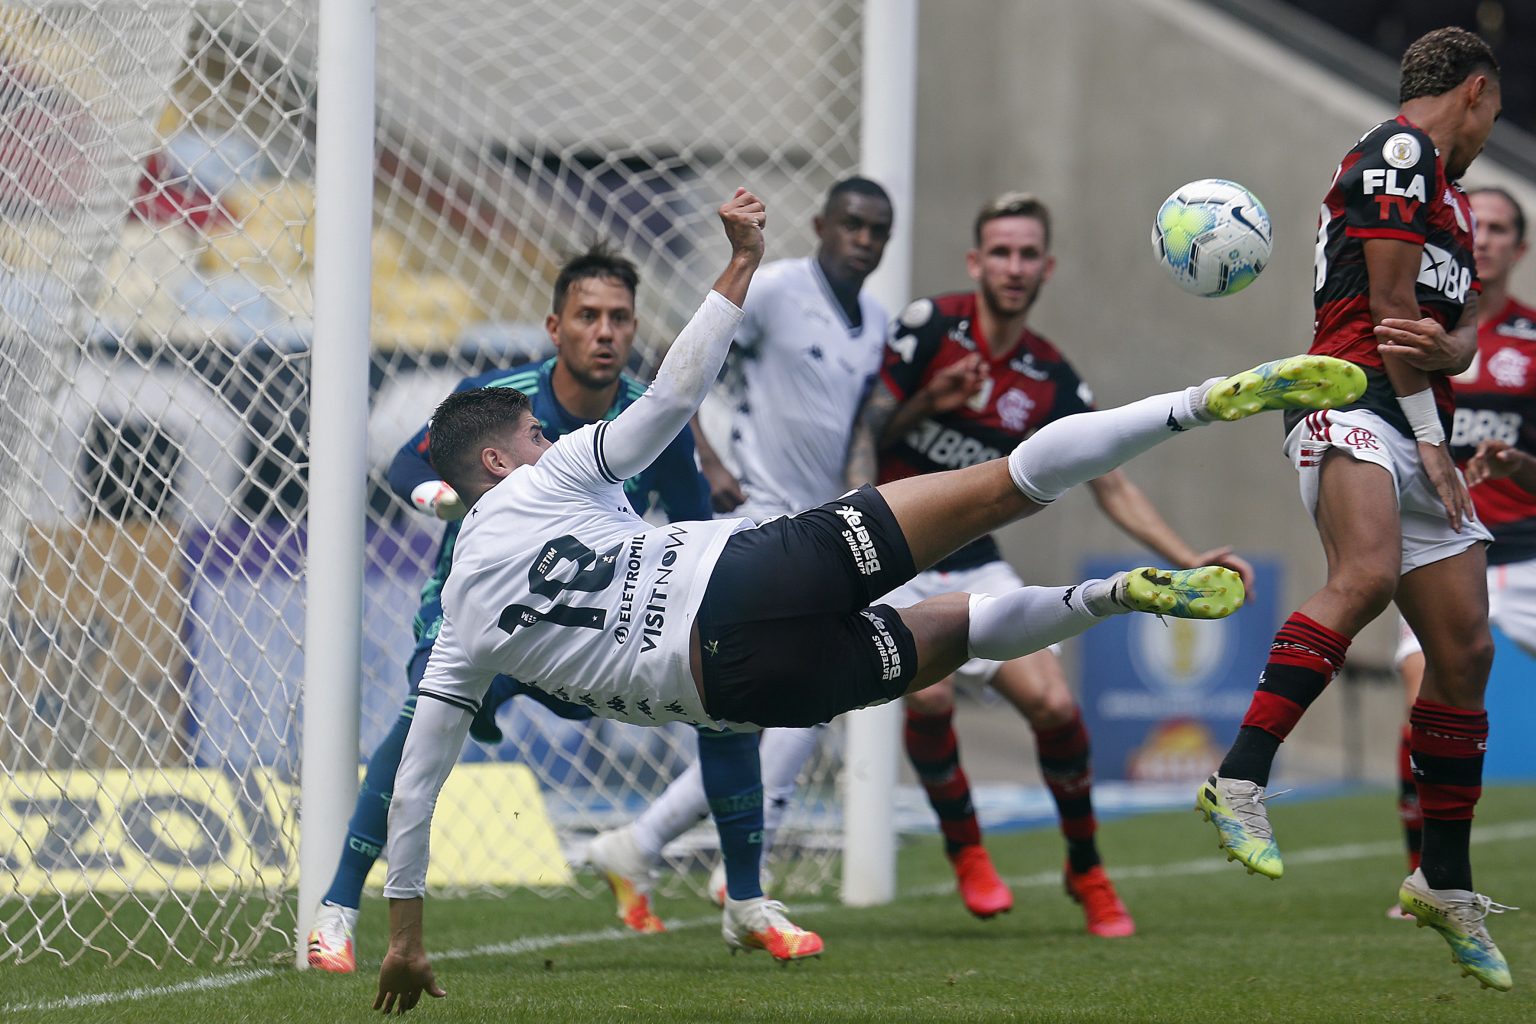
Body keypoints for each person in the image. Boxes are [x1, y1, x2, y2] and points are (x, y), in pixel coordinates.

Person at [373, 187, 1365, 1013]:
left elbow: (418, 785)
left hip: (744, 686)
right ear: (499, 460)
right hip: (746, 569)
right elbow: (671, 398)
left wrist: (406, 940)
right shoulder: (544, 481)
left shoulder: (459, 622)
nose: (550, 444)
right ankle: (1206, 399)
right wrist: (738, 263)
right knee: (1002, 484)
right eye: (535, 439)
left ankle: (1107, 596)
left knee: (948, 633)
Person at [306, 242, 799, 971]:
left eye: (620, 319)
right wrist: (443, 498)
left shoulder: (648, 422)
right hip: (483, 626)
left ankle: (748, 902)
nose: (604, 332)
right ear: (554, 327)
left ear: (634, 331)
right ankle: (338, 910)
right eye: (588, 316)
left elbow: (695, 523)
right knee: (414, 734)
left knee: (724, 698)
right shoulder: (500, 402)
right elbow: (410, 461)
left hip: (595, 639)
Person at [1194, 27, 1515, 991]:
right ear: (1476, 91)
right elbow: (1385, 308)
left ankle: (1443, 883)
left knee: (1466, 655)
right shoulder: (1400, 151)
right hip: (1347, 398)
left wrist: (1454, 360)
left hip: (1415, 415)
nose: (1494, 128)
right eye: (1495, 110)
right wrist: (1430, 425)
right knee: (1366, 574)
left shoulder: (1450, 199)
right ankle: (1238, 777)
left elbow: (1440, 329)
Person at [845, 191, 1255, 936]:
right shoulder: (929, 328)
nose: (1012, 266)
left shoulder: (1051, 377)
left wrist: (1188, 559)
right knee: (929, 700)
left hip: (974, 562)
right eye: (999, 252)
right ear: (976, 262)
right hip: (898, 556)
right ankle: (968, 850)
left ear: (1047, 268)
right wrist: (911, 429)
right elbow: (870, 426)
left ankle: (1086, 867)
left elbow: (1113, 484)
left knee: (1056, 707)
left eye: (1026, 254)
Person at [587, 176, 894, 918]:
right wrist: (711, 464)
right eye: (851, 224)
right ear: (821, 225)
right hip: (761, 519)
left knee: (802, 699)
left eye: (877, 229)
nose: (863, 239)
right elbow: (675, 364)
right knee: (801, 693)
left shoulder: (877, 323)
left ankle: (652, 844)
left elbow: (855, 430)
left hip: (823, 526)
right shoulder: (780, 289)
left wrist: (859, 494)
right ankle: (718, 863)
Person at [1389, 186, 1535, 915]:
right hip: (1442, 547)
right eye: (1479, 226)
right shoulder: (1417, 332)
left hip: (1526, 553)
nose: (1486, 240)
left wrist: (1517, 468)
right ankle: (1427, 871)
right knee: (1425, 704)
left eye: (1503, 229)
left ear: (1520, 247)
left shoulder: (1532, 342)